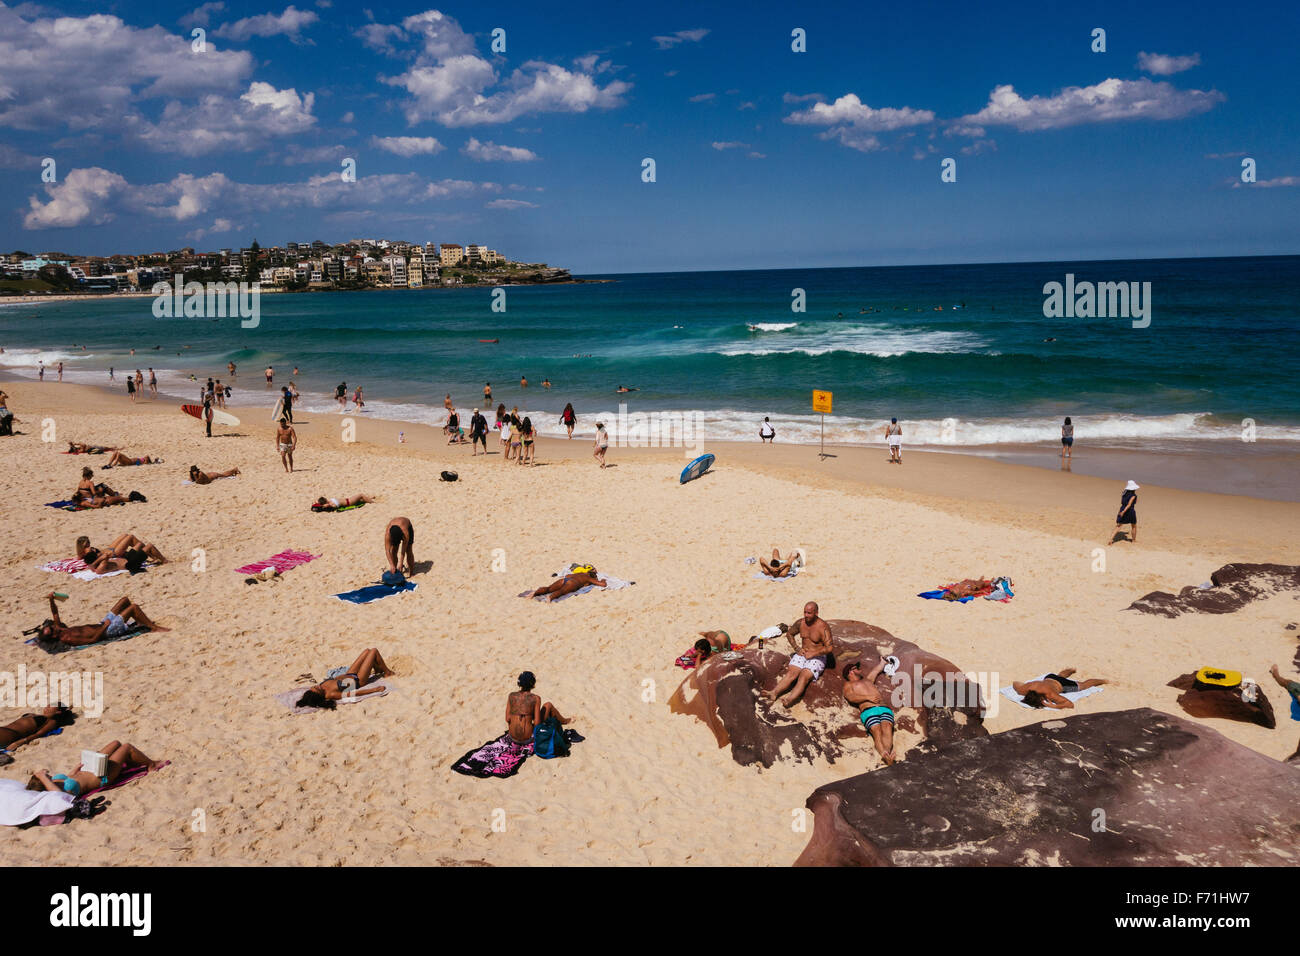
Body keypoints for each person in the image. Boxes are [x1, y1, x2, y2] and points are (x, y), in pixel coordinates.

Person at [34, 592, 170, 647]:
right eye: (51, 629)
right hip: (107, 631)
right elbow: (92, 640)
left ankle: (141, 621)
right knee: (133, 607)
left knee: (124, 600)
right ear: (53, 636)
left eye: (51, 626)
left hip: (102, 624)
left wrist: (51, 599)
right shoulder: (67, 638)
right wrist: (105, 627)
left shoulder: (61, 629)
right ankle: (153, 628)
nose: (53, 626)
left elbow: (55, 613)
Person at [27, 740, 159, 797]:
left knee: (115, 743)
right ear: (45, 784)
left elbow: (69, 776)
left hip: (90, 766)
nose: (48, 775)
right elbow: (57, 795)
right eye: (45, 777)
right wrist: (43, 777)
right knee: (126, 747)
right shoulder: (58, 793)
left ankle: (127, 760)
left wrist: (75, 769)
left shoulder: (55, 781)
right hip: (101, 776)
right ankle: (151, 764)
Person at [766, 602, 834, 708]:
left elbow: (829, 647)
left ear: (816, 613)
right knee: (792, 673)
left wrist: (814, 653)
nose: (806, 615)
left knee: (803, 676)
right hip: (802, 653)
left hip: (817, 656)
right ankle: (774, 693)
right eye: (805, 612)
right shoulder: (801, 623)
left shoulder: (823, 627)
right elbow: (789, 634)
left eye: (809, 613)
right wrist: (797, 648)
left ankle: (789, 699)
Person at [295, 648, 395, 710]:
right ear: (319, 695)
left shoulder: (321, 687)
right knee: (374, 651)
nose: (317, 686)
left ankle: (377, 668)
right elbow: (353, 694)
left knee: (367, 651)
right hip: (359, 680)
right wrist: (375, 689)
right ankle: (387, 672)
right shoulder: (331, 694)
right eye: (317, 688)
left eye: (314, 686)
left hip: (350, 673)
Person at [841, 659, 897, 764]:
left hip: (883, 707)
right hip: (868, 710)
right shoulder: (848, 684)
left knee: (887, 727)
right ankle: (885, 756)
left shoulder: (868, 680)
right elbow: (851, 697)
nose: (859, 669)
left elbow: (876, 670)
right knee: (876, 730)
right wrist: (868, 697)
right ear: (851, 672)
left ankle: (887, 755)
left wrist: (882, 662)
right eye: (856, 668)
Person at [507, 672, 570, 744]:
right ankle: (564, 721)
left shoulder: (511, 696)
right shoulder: (535, 698)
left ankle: (564, 721)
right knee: (548, 705)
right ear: (533, 684)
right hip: (528, 738)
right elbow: (537, 724)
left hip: (512, 737)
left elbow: (507, 719)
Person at [0, 706, 76, 764]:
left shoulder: (51, 722)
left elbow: (38, 734)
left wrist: (19, 742)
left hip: (9, 734)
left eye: (50, 707)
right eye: (47, 705)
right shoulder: (37, 715)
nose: (46, 708)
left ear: (58, 712)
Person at [1013, 669, 1109, 709]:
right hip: (1050, 677)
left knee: (1084, 685)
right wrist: (1023, 688)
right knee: (1059, 676)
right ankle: (1071, 670)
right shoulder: (1026, 689)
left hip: (1064, 685)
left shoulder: (1050, 694)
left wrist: (1053, 706)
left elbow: (1070, 704)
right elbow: (1015, 684)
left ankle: (1104, 680)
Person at [75, 534, 167, 570]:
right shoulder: (87, 552)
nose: (89, 545)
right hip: (114, 552)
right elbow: (91, 563)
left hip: (109, 549)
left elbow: (79, 558)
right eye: (86, 544)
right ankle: (152, 555)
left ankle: (150, 554)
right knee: (130, 537)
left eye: (89, 543)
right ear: (82, 546)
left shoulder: (83, 552)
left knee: (125, 535)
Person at [525, 569, 607, 602]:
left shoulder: (579, 573)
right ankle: (550, 598)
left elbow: (567, 575)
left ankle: (534, 593)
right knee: (561, 592)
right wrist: (603, 579)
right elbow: (603, 584)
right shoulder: (588, 578)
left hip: (565, 579)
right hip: (573, 583)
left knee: (549, 589)